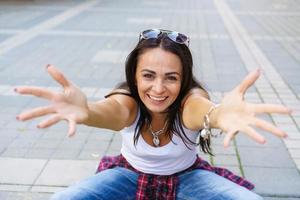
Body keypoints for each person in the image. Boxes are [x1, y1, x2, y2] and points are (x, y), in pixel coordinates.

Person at [15, 29, 291, 200]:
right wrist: (86, 111)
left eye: (171, 78)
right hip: (128, 175)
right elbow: (109, 112)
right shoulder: (128, 101)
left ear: (183, 80)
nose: (158, 89)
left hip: (187, 177)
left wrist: (220, 115)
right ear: (134, 77)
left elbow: (204, 111)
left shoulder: (191, 100)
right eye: (148, 76)